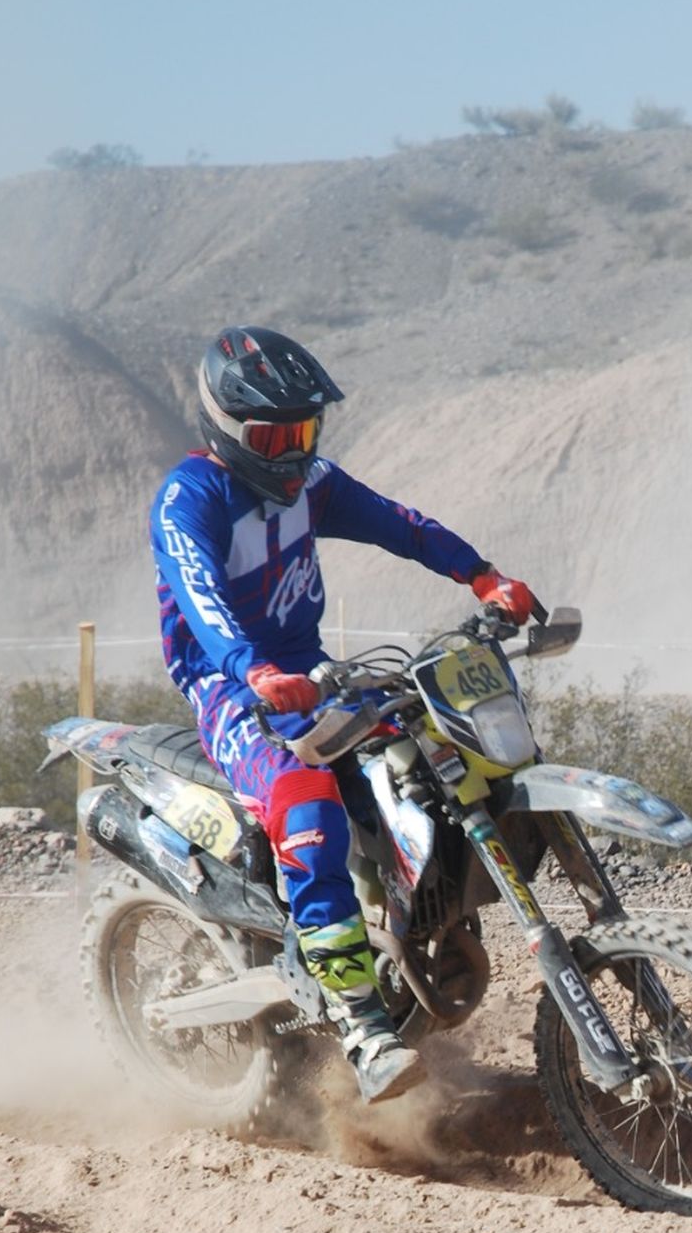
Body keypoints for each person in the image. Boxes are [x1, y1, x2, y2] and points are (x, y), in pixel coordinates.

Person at [151, 325, 545, 1103]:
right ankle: (362, 1023)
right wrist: (253, 669)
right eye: (277, 434)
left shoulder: (314, 484)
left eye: (306, 430)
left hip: (313, 673)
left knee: (436, 753)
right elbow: (200, 597)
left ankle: (410, 922)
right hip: (233, 688)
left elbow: (401, 523)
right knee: (308, 807)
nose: (295, 450)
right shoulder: (190, 498)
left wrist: (484, 576)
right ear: (229, 430)